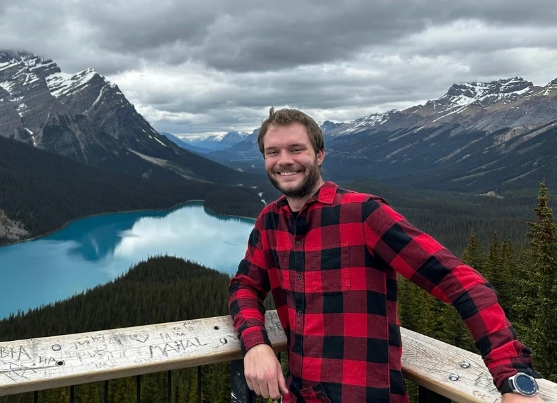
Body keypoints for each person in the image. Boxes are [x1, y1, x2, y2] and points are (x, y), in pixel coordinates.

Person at [229, 108, 543, 403]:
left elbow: (461, 282)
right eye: (273, 152)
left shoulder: (364, 214)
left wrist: (513, 377)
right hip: (299, 393)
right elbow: (245, 286)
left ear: (319, 155)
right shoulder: (270, 221)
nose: (284, 160)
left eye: (296, 149)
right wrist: (256, 344)